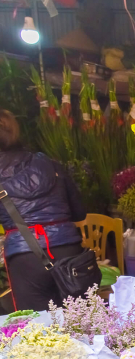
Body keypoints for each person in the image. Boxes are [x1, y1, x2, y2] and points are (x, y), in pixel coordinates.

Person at [0, 110, 87, 311]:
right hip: (68, 249)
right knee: (81, 321)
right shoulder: (47, 162)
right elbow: (79, 212)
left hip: (25, 257)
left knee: (37, 326)